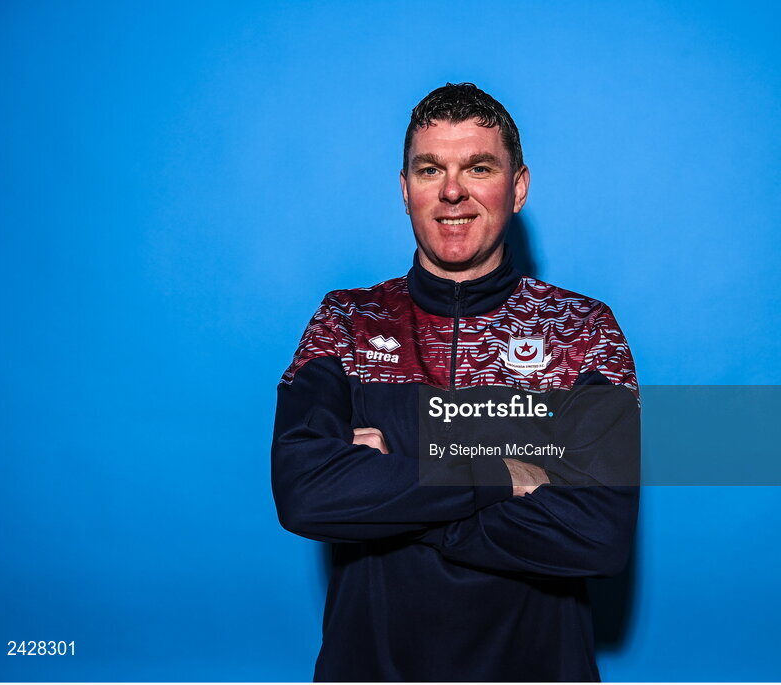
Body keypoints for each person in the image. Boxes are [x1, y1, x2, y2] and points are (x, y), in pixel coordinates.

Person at [271, 82, 639, 681]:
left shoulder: (584, 331)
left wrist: (388, 489)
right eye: (429, 169)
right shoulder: (346, 321)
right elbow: (306, 492)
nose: (451, 191)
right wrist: (502, 475)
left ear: (517, 188)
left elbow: (598, 534)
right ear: (405, 190)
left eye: (478, 167)